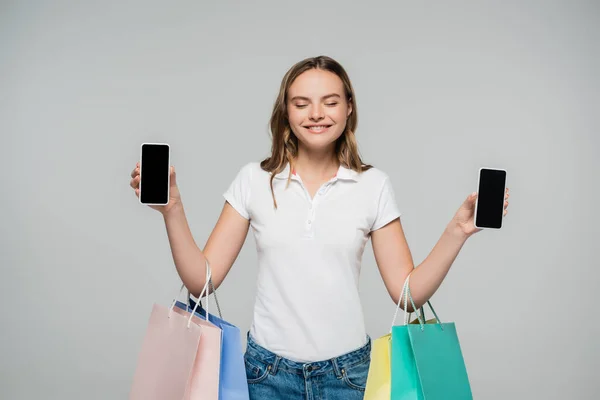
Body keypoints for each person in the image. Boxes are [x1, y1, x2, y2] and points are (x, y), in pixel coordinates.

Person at [129, 55, 510, 400]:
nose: (316, 113)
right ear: (286, 112)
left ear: (348, 109)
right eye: (301, 103)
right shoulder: (253, 180)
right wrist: (172, 210)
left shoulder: (372, 185)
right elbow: (203, 282)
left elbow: (406, 294)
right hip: (267, 376)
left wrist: (457, 231)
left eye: (330, 102)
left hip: (349, 377)